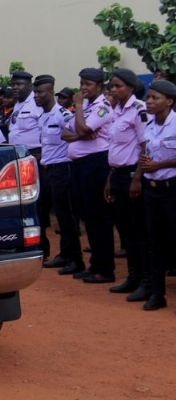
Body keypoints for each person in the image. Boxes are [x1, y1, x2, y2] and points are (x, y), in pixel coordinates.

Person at [62, 68, 115, 283]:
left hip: (96, 164)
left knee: (98, 216)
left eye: (88, 84)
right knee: (87, 216)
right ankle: (95, 265)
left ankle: (105, 269)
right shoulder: (86, 106)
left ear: (99, 86)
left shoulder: (102, 107)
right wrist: (81, 133)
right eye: (82, 83)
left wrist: (78, 111)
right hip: (80, 165)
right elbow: (65, 134)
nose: (83, 88)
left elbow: (84, 129)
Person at [103, 69, 150, 297]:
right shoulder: (116, 111)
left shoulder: (139, 109)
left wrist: (138, 178)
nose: (113, 90)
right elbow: (115, 148)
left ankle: (146, 281)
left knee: (139, 230)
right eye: (112, 86)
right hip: (118, 174)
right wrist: (110, 178)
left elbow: (145, 146)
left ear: (131, 87)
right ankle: (133, 277)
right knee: (125, 231)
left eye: (118, 86)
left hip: (133, 175)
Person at [33, 75, 83, 275]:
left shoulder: (62, 114)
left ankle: (76, 260)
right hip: (48, 170)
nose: (36, 96)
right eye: (35, 92)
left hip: (62, 168)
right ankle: (64, 254)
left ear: (51, 91)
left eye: (40, 92)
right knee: (56, 216)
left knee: (66, 216)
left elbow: (78, 134)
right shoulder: (43, 116)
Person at [136, 79, 176, 310]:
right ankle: (157, 294)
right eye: (148, 97)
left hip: (172, 190)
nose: (149, 102)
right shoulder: (149, 125)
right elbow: (145, 152)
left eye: (155, 98)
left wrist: (159, 165)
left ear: (169, 101)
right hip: (152, 190)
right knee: (155, 243)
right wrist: (142, 170)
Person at [9, 71, 50, 258]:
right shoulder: (18, 104)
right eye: (13, 84)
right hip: (19, 158)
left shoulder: (36, 104)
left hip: (34, 158)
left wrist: (42, 153)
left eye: (19, 84)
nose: (15, 88)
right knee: (22, 203)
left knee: (37, 204)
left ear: (30, 86)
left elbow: (45, 130)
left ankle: (42, 247)